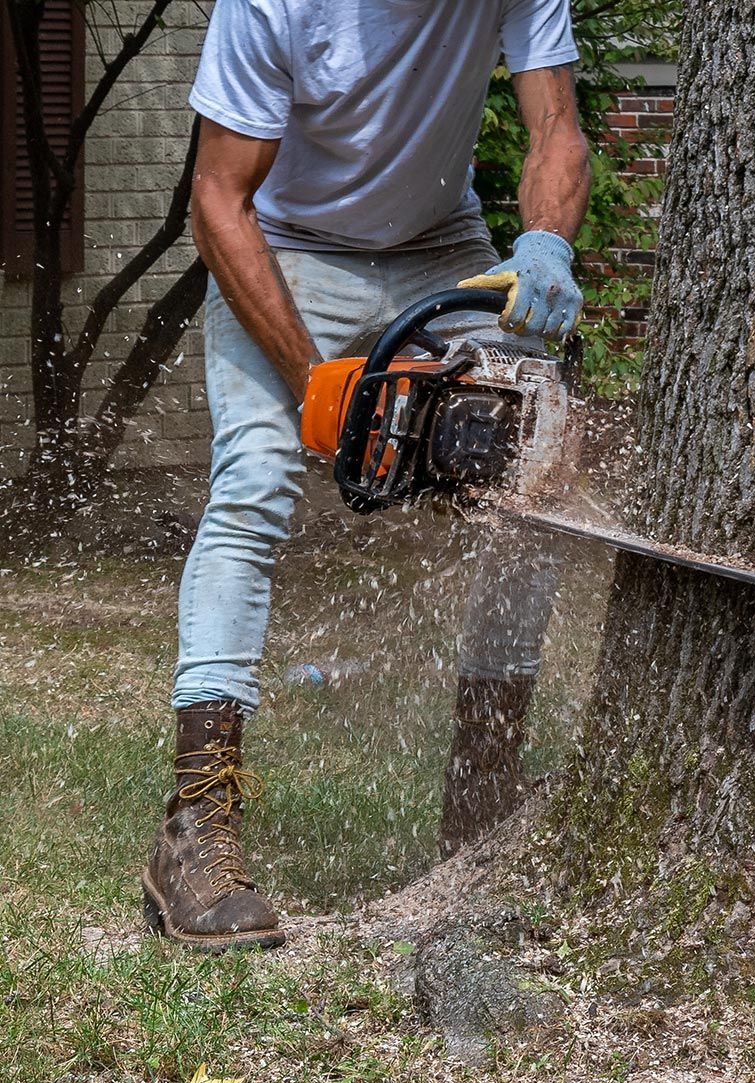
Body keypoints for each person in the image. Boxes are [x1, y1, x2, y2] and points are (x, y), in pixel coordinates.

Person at [144, 0, 592, 953]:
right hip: (289, 250)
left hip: (442, 251)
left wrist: (546, 242)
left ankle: (480, 818)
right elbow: (217, 201)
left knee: (537, 479)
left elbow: (556, 126)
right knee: (256, 480)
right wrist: (320, 387)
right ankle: (195, 833)